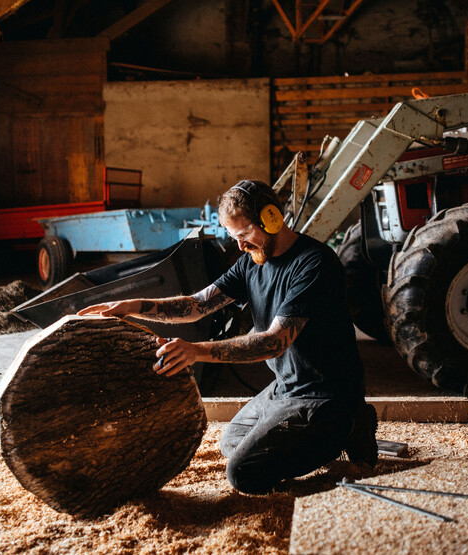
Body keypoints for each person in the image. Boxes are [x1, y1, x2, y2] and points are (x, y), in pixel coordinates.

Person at [78, 179, 378, 495]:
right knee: (231, 442)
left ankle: (349, 425)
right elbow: (197, 305)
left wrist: (195, 351)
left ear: (272, 218)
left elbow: (273, 342)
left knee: (243, 474)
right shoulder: (252, 262)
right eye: (234, 238)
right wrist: (133, 306)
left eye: (245, 234)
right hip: (286, 387)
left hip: (324, 392)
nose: (240, 246)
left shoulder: (314, 263)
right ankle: (325, 435)